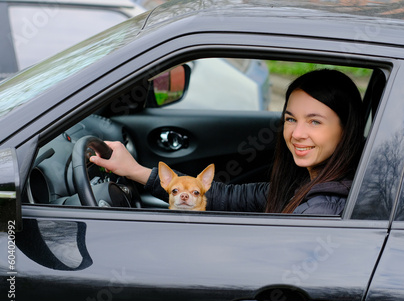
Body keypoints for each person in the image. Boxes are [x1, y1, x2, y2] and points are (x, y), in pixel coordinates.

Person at [91, 69, 365, 215]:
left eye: (315, 121)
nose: (296, 134)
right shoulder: (303, 184)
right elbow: (229, 197)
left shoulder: (323, 207)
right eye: (291, 119)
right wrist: (134, 171)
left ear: (346, 130)